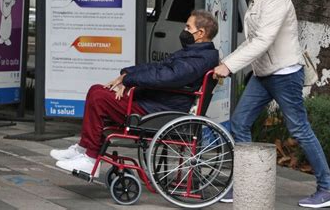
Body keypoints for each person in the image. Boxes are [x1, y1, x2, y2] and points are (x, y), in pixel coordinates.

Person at [213, 0, 330, 208]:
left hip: (284, 74)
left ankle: (328, 188)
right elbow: (252, 42)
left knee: (299, 129)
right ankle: (246, 183)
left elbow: (263, 41)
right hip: (263, 75)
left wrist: (229, 66)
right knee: (239, 123)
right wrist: (225, 62)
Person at [51, 10, 219, 177]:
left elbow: (166, 77)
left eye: (188, 27)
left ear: (201, 33)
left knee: (99, 97)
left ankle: (90, 159)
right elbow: (158, 67)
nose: (184, 30)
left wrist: (130, 80)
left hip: (160, 109)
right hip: (157, 102)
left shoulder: (199, 58)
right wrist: (126, 74)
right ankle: (83, 148)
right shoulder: (195, 53)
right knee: (97, 90)